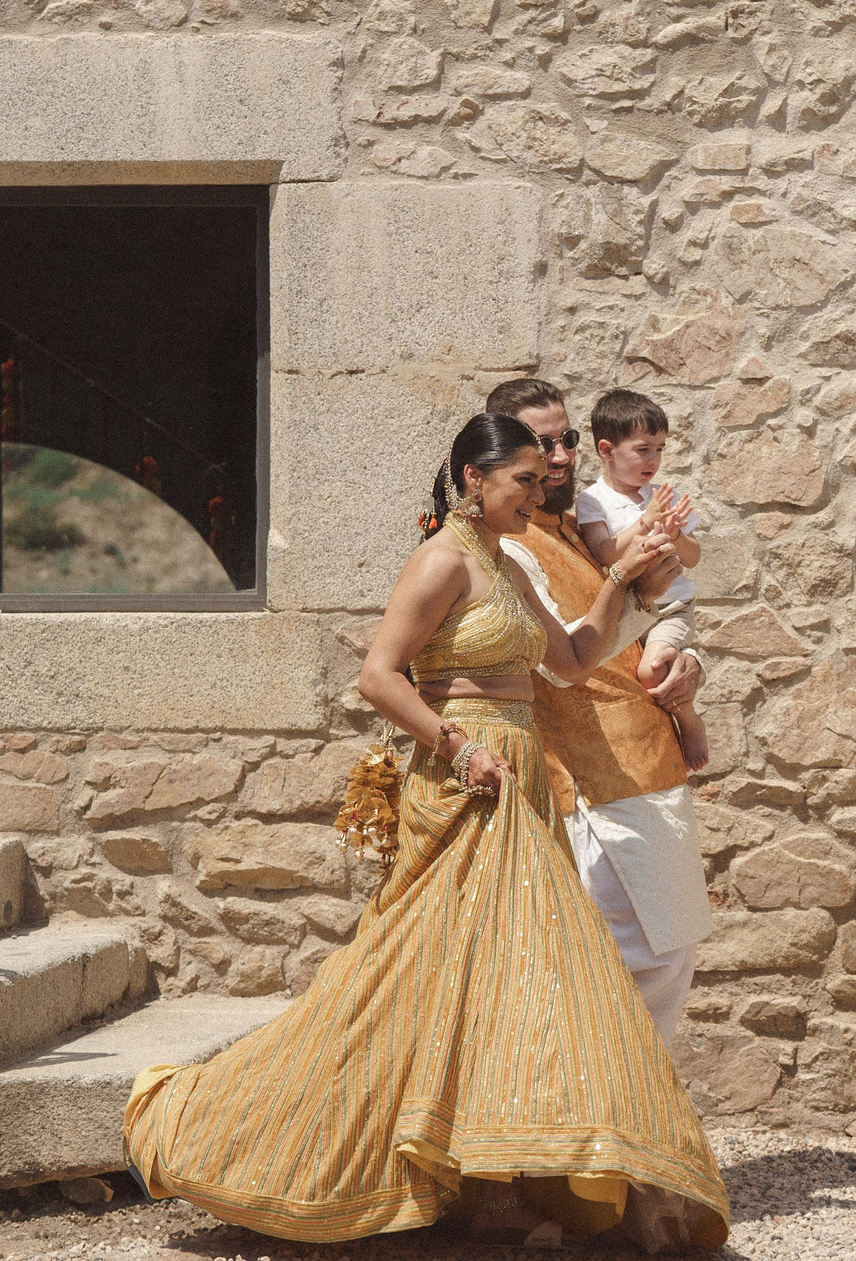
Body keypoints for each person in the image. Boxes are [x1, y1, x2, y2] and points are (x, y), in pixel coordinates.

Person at [125, 413, 730, 1251]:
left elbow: (575, 656)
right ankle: (242, 1126)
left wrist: (620, 577)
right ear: (474, 480)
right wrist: (458, 742)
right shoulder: (442, 559)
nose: (539, 487)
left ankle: (493, 1175)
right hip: (464, 780)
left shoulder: (506, 562)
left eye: (539, 477)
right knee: (416, 967)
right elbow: (379, 674)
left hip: (518, 781)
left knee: (515, 973)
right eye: (522, 477)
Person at [488, 378, 717, 1046]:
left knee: (670, 954)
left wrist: (689, 663)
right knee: (625, 965)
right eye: (542, 444)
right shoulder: (511, 546)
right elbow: (563, 658)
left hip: (649, 761)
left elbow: (653, 616)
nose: (561, 456)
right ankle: (602, 1134)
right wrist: (630, 584)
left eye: (566, 439)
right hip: (590, 785)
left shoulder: (577, 525)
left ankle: (636, 1133)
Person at [575, 388, 710, 769]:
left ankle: (689, 721)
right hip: (630, 613)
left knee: (651, 670)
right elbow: (605, 551)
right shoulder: (592, 501)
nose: (654, 459)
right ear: (606, 450)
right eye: (643, 449)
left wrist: (677, 535)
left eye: (660, 449)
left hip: (671, 610)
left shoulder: (666, 496)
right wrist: (646, 521)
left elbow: (694, 558)